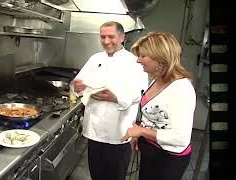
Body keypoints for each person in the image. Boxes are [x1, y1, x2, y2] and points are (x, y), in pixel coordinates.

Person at [71, 21, 148, 180]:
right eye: (103, 37)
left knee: (115, 176)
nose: (106, 41)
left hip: (118, 132)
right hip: (94, 130)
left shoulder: (134, 62)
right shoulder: (95, 58)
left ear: (122, 37)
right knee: (96, 174)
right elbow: (78, 82)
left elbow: (139, 93)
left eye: (111, 37)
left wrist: (116, 98)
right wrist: (77, 86)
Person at [121, 32, 196, 180]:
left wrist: (141, 131)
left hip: (168, 159)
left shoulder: (181, 89)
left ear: (160, 59)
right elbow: (155, 115)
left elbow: (180, 138)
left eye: (143, 56)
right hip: (150, 150)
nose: (138, 60)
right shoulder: (157, 79)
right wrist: (140, 132)